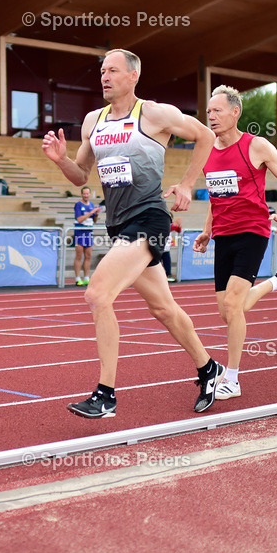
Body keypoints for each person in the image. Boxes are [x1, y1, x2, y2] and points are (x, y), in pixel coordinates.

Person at [42, 48, 223, 418]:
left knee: (97, 293)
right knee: (163, 308)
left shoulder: (155, 113)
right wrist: (61, 160)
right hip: (120, 224)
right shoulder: (93, 121)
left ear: (132, 76)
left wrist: (188, 184)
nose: (104, 77)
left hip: (150, 217)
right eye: (102, 71)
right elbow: (82, 176)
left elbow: (204, 136)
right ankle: (209, 369)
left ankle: (105, 394)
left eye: (113, 70)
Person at [193, 86, 277, 400]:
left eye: (217, 111)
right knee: (228, 312)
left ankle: (233, 378)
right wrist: (206, 230)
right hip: (223, 234)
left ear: (234, 112)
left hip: (253, 231)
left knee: (232, 305)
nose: (211, 116)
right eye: (208, 112)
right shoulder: (206, 151)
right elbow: (215, 197)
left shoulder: (257, 146)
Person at [73, 186, 101, 286]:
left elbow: (95, 221)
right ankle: (77, 278)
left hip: (89, 232)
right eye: (84, 193)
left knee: (88, 256)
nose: (86, 195)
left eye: (87, 193)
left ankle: (86, 278)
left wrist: (96, 214)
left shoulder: (92, 204)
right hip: (80, 232)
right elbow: (79, 219)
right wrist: (91, 212)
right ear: (81, 194)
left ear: (90, 194)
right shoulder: (78, 205)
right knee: (79, 255)